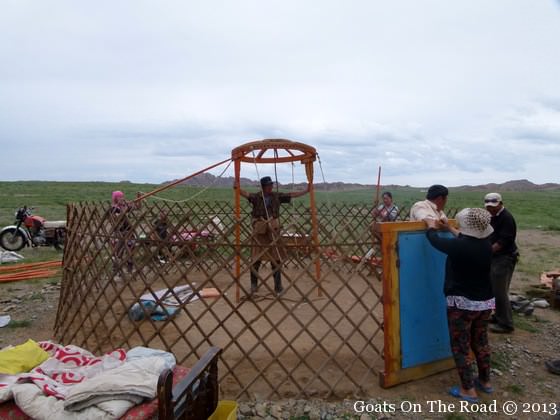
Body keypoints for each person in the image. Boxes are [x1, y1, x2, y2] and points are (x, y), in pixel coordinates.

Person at [425, 208, 495, 403]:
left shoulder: (460, 247)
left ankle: (467, 389)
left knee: (460, 346)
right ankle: (485, 381)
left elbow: (435, 241)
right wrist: (449, 227)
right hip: (484, 303)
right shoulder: (486, 245)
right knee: (480, 342)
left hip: (462, 305)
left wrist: (431, 228)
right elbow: (463, 240)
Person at [236, 176, 309, 296]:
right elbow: (246, 194)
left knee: (276, 259)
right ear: (264, 187)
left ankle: (278, 287)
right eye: (269, 185)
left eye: (271, 185)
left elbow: (291, 194)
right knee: (256, 259)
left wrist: (306, 191)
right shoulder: (257, 197)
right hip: (260, 231)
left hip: (273, 231)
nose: (271, 187)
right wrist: (237, 188)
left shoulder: (276, 196)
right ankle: (254, 285)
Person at [484, 192, 519, 334]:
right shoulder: (491, 216)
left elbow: (503, 242)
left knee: (500, 291)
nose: (490, 208)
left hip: (505, 257)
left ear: (500, 204)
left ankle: (506, 324)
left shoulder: (506, 218)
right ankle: (498, 316)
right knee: (494, 289)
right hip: (496, 257)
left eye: (493, 206)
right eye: (488, 206)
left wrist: (485, 252)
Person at [109, 191, 141, 277]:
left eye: (122, 196)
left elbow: (138, 207)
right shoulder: (114, 208)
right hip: (119, 232)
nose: (122, 198)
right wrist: (125, 208)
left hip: (129, 231)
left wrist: (139, 198)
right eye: (119, 197)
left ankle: (129, 269)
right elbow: (117, 218)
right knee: (118, 252)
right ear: (115, 198)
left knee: (130, 249)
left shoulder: (124, 206)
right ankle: (116, 270)